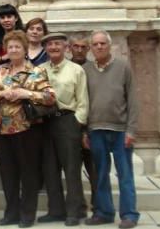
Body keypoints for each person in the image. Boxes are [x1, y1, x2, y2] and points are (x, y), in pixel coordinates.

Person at [0, 30, 56, 228]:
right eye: (10, 47)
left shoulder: (36, 71)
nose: (14, 50)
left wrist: (26, 93)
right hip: (2, 130)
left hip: (27, 129)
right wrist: (3, 94)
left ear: (25, 49)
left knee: (28, 174)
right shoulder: (1, 70)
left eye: (18, 46)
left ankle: (27, 214)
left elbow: (50, 97)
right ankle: (11, 213)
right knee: (8, 175)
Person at [83, 31, 139, 229]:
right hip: (95, 130)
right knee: (100, 174)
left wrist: (131, 130)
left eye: (102, 43)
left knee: (125, 174)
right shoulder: (86, 70)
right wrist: (85, 132)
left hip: (120, 130)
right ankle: (104, 212)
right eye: (95, 44)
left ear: (109, 45)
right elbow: (84, 101)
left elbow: (132, 99)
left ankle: (129, 214)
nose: (99, 47)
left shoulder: (123, 67)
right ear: (91, 48)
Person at [38, 33, 89, 226]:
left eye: (57, 44)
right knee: (50, 169)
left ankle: (75, 211)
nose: (53, 47)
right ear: (45, 49)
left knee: (72, 169)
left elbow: (83, 101)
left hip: (68, 122)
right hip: (45, 123)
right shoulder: (40, 70)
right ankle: (55, 210)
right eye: (50, 44)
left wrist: (77, 123)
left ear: (65, 47)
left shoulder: (76, 70)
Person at [69, 37, 97, 213]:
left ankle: (97, 203)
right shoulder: (65, 67)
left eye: (83, 47)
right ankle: (78, 205)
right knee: (73, 169)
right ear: (70, 48)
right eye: (76, 46)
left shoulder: (93, 69)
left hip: (91, 125)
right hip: (70, 125)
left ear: (88, 49)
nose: (79, 50)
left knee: (94, 168)